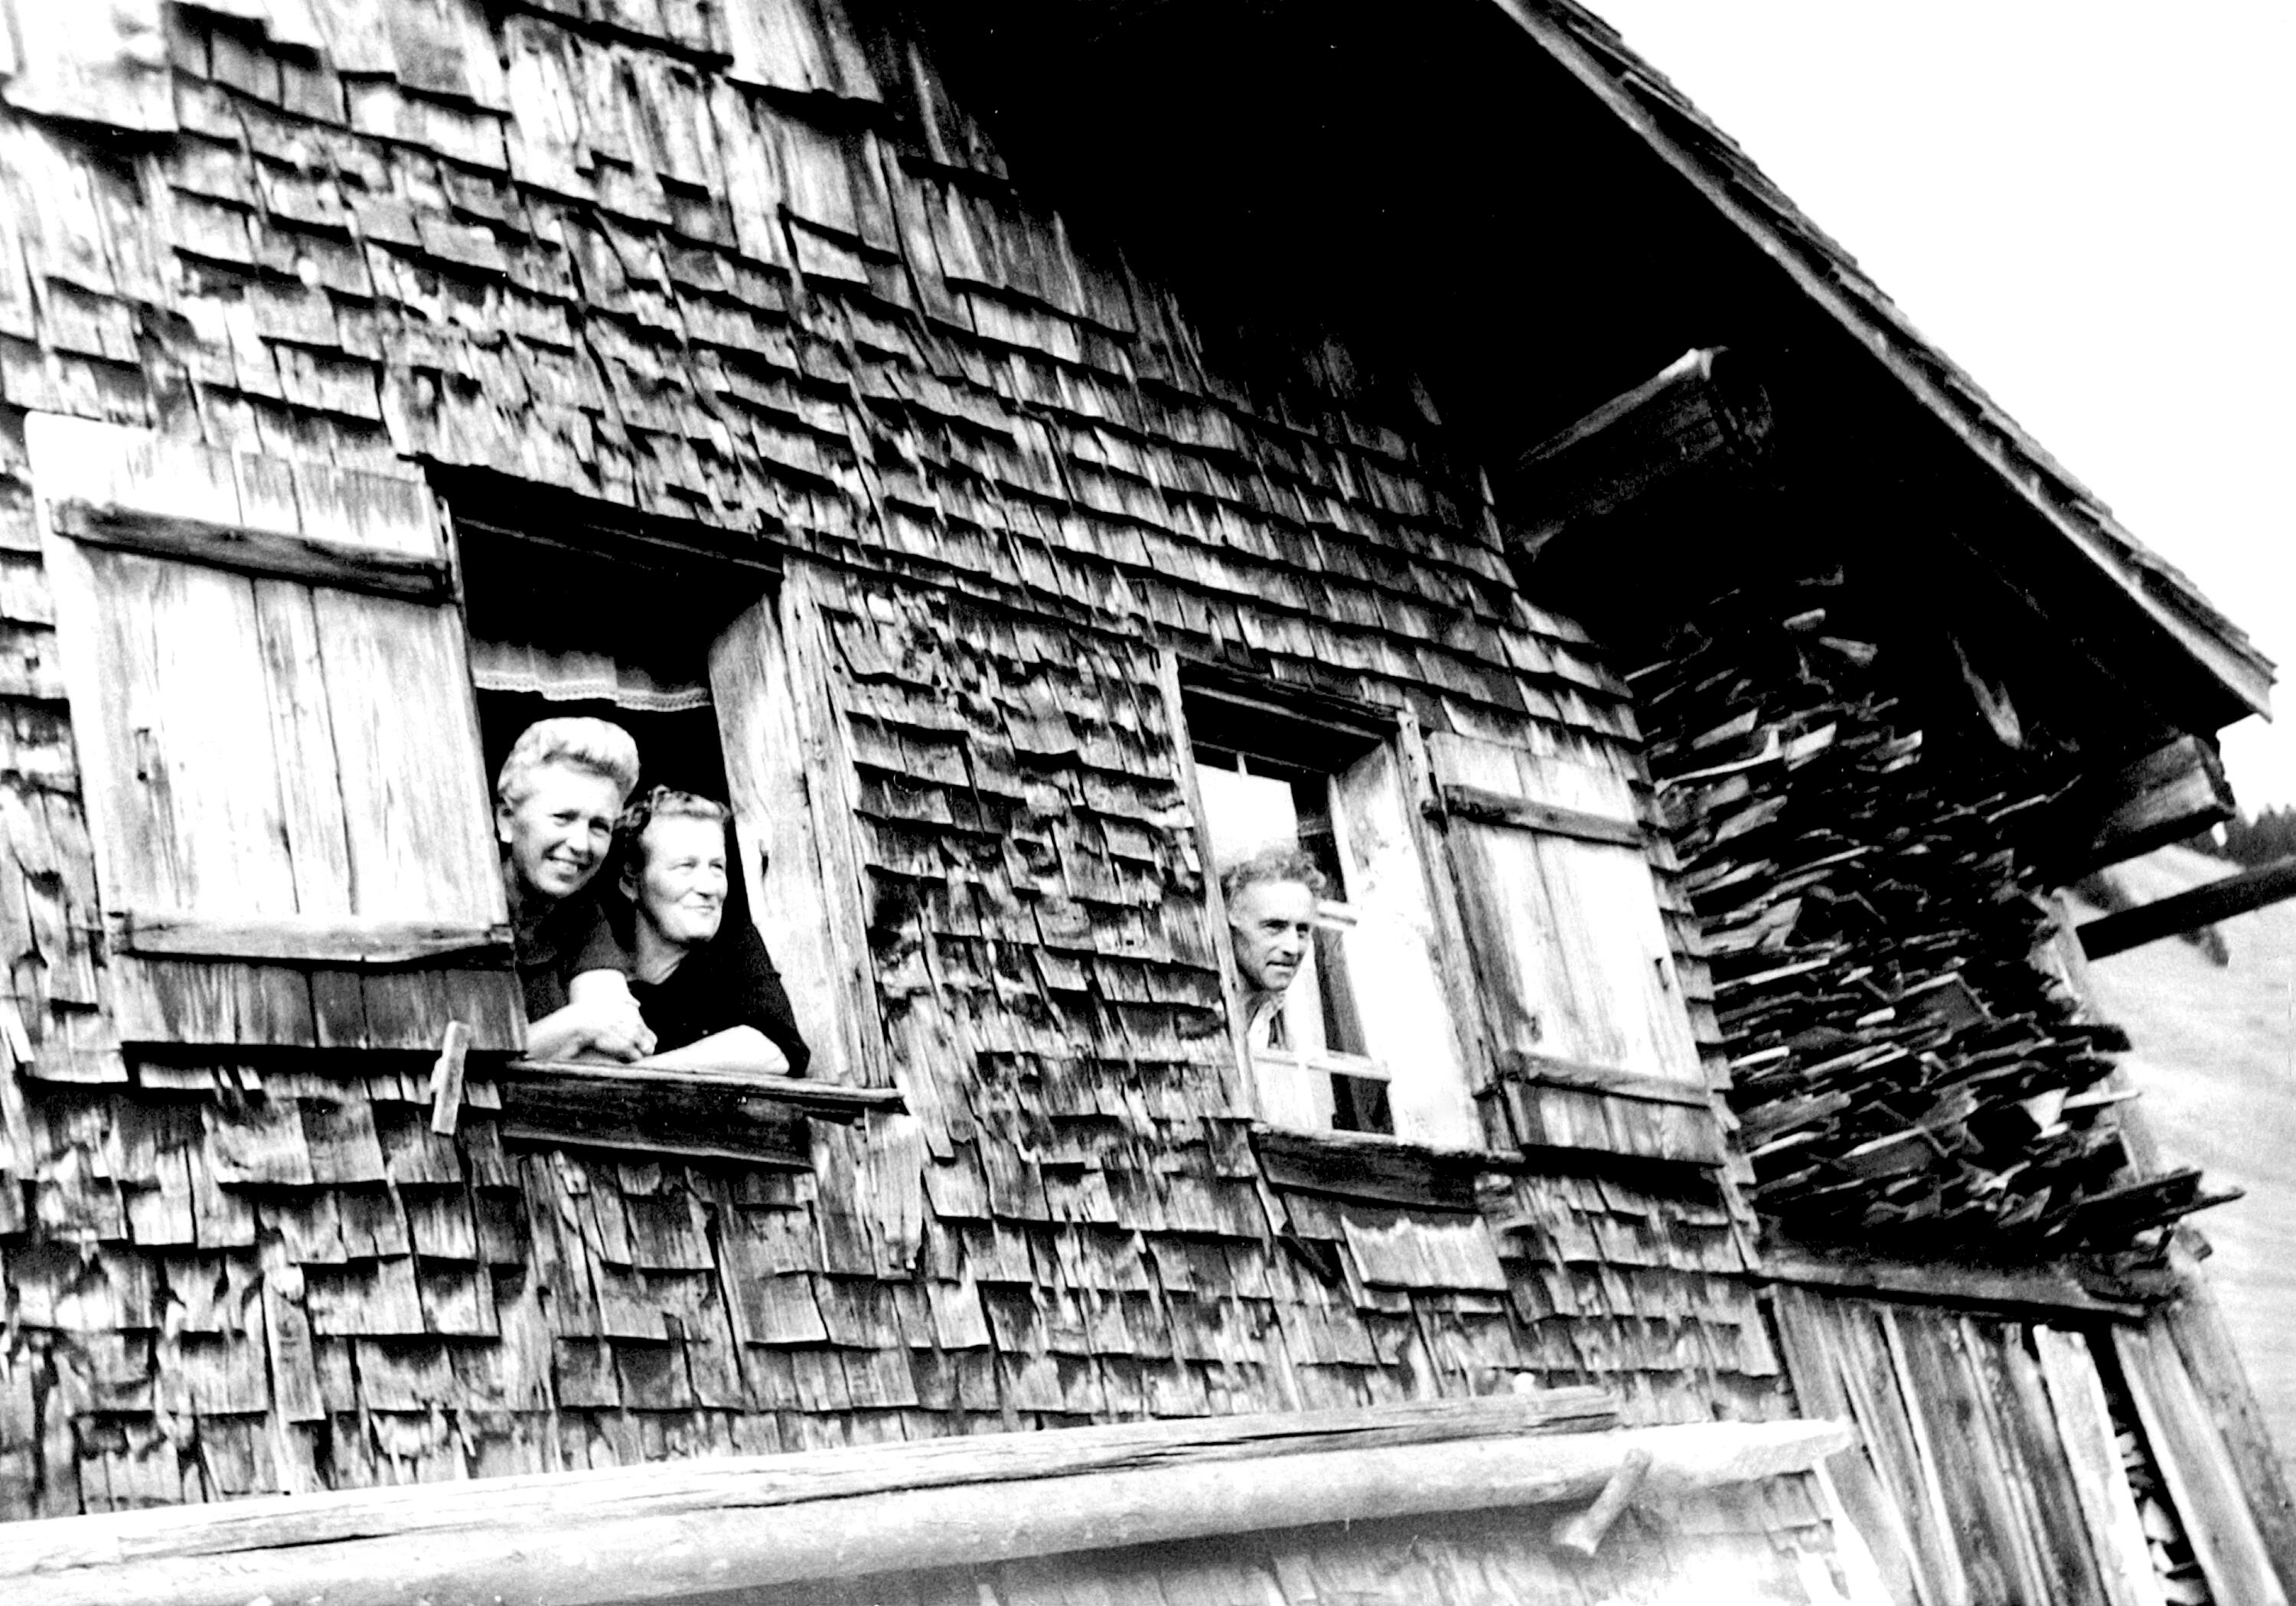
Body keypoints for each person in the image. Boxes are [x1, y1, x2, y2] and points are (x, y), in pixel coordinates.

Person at [568, 788, 811, 1076]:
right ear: (631, 883)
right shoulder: (594, 962)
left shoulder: (733, 943)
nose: (709, 888)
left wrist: (640, 1074)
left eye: (717, 867)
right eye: (686, 867)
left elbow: (778, 1047)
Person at [494, 717, 654, 1063]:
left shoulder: (581, 911)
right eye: (563, 817)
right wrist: (581, 1025)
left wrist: (580, 1030)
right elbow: (461, 1056)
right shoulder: (464, 903)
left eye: (599, 826)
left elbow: (618, 1041)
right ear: (506, 819)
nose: (581, 844)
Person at [1220, 848, 1328, 1050]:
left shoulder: (1279, 1019)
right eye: (1274, 927)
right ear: (1231, 922)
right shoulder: (1202, 1009)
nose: (1293, 948)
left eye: (1302, 930)